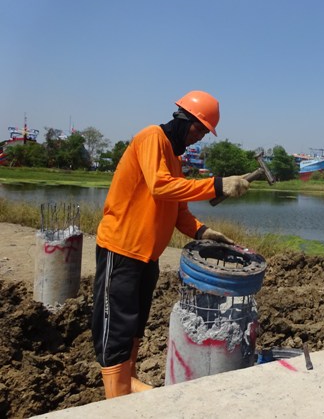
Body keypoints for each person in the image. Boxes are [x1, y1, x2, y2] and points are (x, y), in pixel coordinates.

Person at [91, 90, 251, 398]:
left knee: (134, 324)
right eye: (198, 129)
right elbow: (160, 187)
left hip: (147, 257)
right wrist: (218, 184)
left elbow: (179, 212)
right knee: (116, 328)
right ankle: (115, 398)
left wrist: (204, 232)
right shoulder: (153, 137)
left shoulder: (174, 160)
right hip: (122, 250)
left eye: (204, 133)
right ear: (182, 119)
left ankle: (128, 379)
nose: (198, 137)